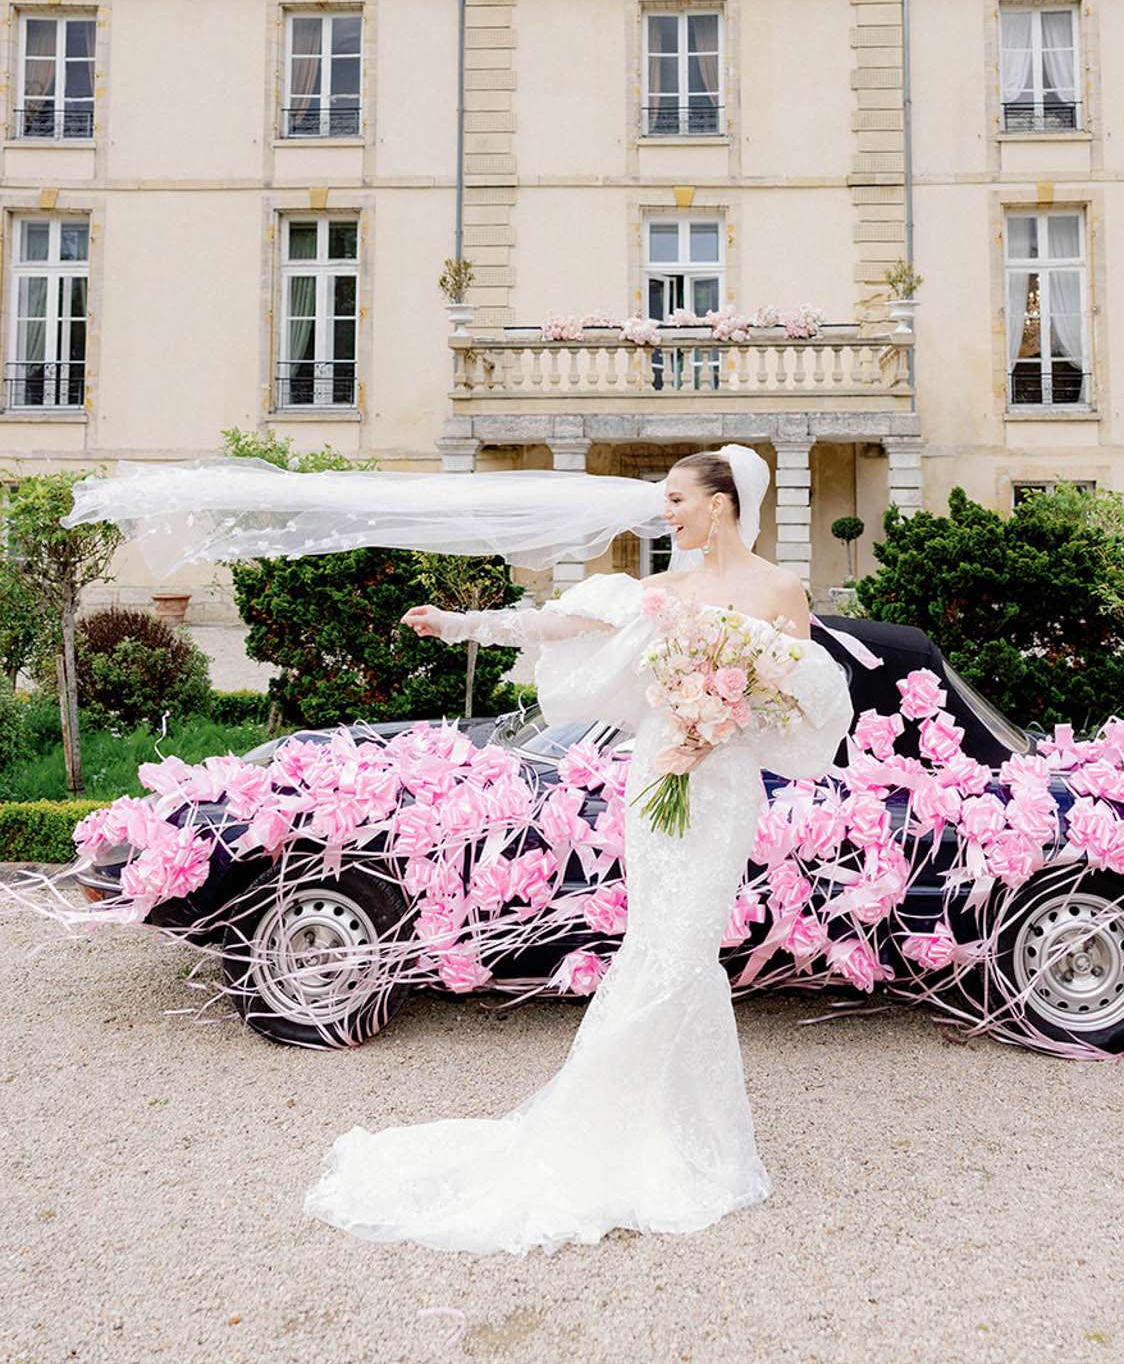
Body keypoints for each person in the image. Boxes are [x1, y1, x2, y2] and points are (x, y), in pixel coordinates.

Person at [300, 444, 854, 1257]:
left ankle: (659, 1126)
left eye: (675, 498)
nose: (664, 512)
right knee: (663, 946)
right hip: (657, 781)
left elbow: (805, 698)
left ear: (721, 503)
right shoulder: (659, 591)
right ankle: (623, 1127)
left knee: (689, 947)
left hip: (724, 786)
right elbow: (560, 621)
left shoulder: (779, 590)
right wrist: (465, 625)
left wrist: (724, 724)